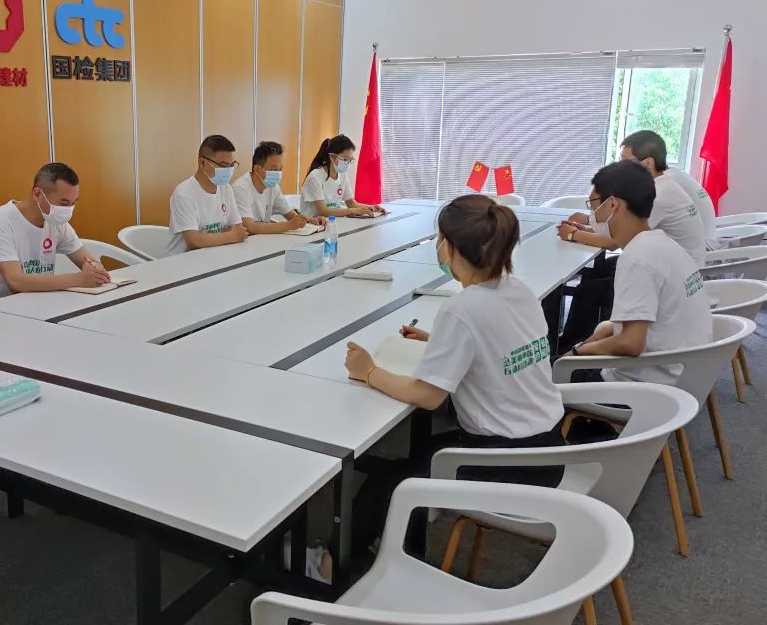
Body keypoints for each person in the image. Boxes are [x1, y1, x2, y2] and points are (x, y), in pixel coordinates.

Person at [343, 194, 566, 555]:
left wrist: (369, 371)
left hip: (508, 462)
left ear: (448, 247)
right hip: (550, 447)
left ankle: (329, 567)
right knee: (416, 456)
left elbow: (428, 396)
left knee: (394, 480)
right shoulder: (519, 290)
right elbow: (496, 341)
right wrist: (440, 341)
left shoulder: (462, 307)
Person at [562, 160, 712, 386]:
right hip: (686, 374)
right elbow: (633, 325)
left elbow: (630, 343)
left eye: (593, 206)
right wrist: (583, 347)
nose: (592, 215)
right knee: (573, 352)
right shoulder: (663, 244)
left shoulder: (637, 258)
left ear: (613, 205)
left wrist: (576, 354)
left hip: (645, 388)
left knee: (541, 379)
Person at [557, 130, 706, 267]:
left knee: (595, 280)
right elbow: (622, 231)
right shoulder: (661, 184)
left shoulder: (657, 194)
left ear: (648, 163)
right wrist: (586, 229)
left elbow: (615, 242)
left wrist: (573, 234)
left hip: (675, 273)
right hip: (668, 263)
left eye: (626, 161)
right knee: (601, 270)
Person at [0, 163, 111, 304]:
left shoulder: (56, 222)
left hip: (39, 304)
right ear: (37, 194)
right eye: (63, 203)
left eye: (73, 203)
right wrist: (78, 279)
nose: (68, 210)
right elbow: (16, 281)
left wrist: (95, 270)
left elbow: (90, 260)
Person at [626, 130, 719, 250]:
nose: (622, 167)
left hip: (700, 252)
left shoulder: (664, 186)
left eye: (626, 162)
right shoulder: (675, 175)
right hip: (702, 243)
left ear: (649, 162)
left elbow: (630, 234)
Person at [166, 134, 247, 256]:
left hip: (214, 255)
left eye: (231, 165)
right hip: (183, 260)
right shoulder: (184, 193)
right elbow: (194, 241)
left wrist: (223, 236)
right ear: (202, 162)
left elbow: (238, 228)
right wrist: (230, 236)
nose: (229, 171)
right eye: (223, 165)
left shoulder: (226, 188)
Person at [233, 141, 326, 235]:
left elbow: (291, 215)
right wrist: (289, 225)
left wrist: (310, 220)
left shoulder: (273, 187)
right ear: (257, 169)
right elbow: (250, 227)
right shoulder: (241, 188)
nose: (278, 174)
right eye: (274, 169)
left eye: (280, 169)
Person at [300, 134, 384, 219]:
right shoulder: (315, 177)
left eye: (350, 160)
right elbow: (324, 211)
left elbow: (351, 203)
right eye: (345, 159)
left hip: (331, 221)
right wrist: (354, 211)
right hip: (312, 224)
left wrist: (370, 207)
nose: (347, 163)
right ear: (332, 157)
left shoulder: (342, 174)